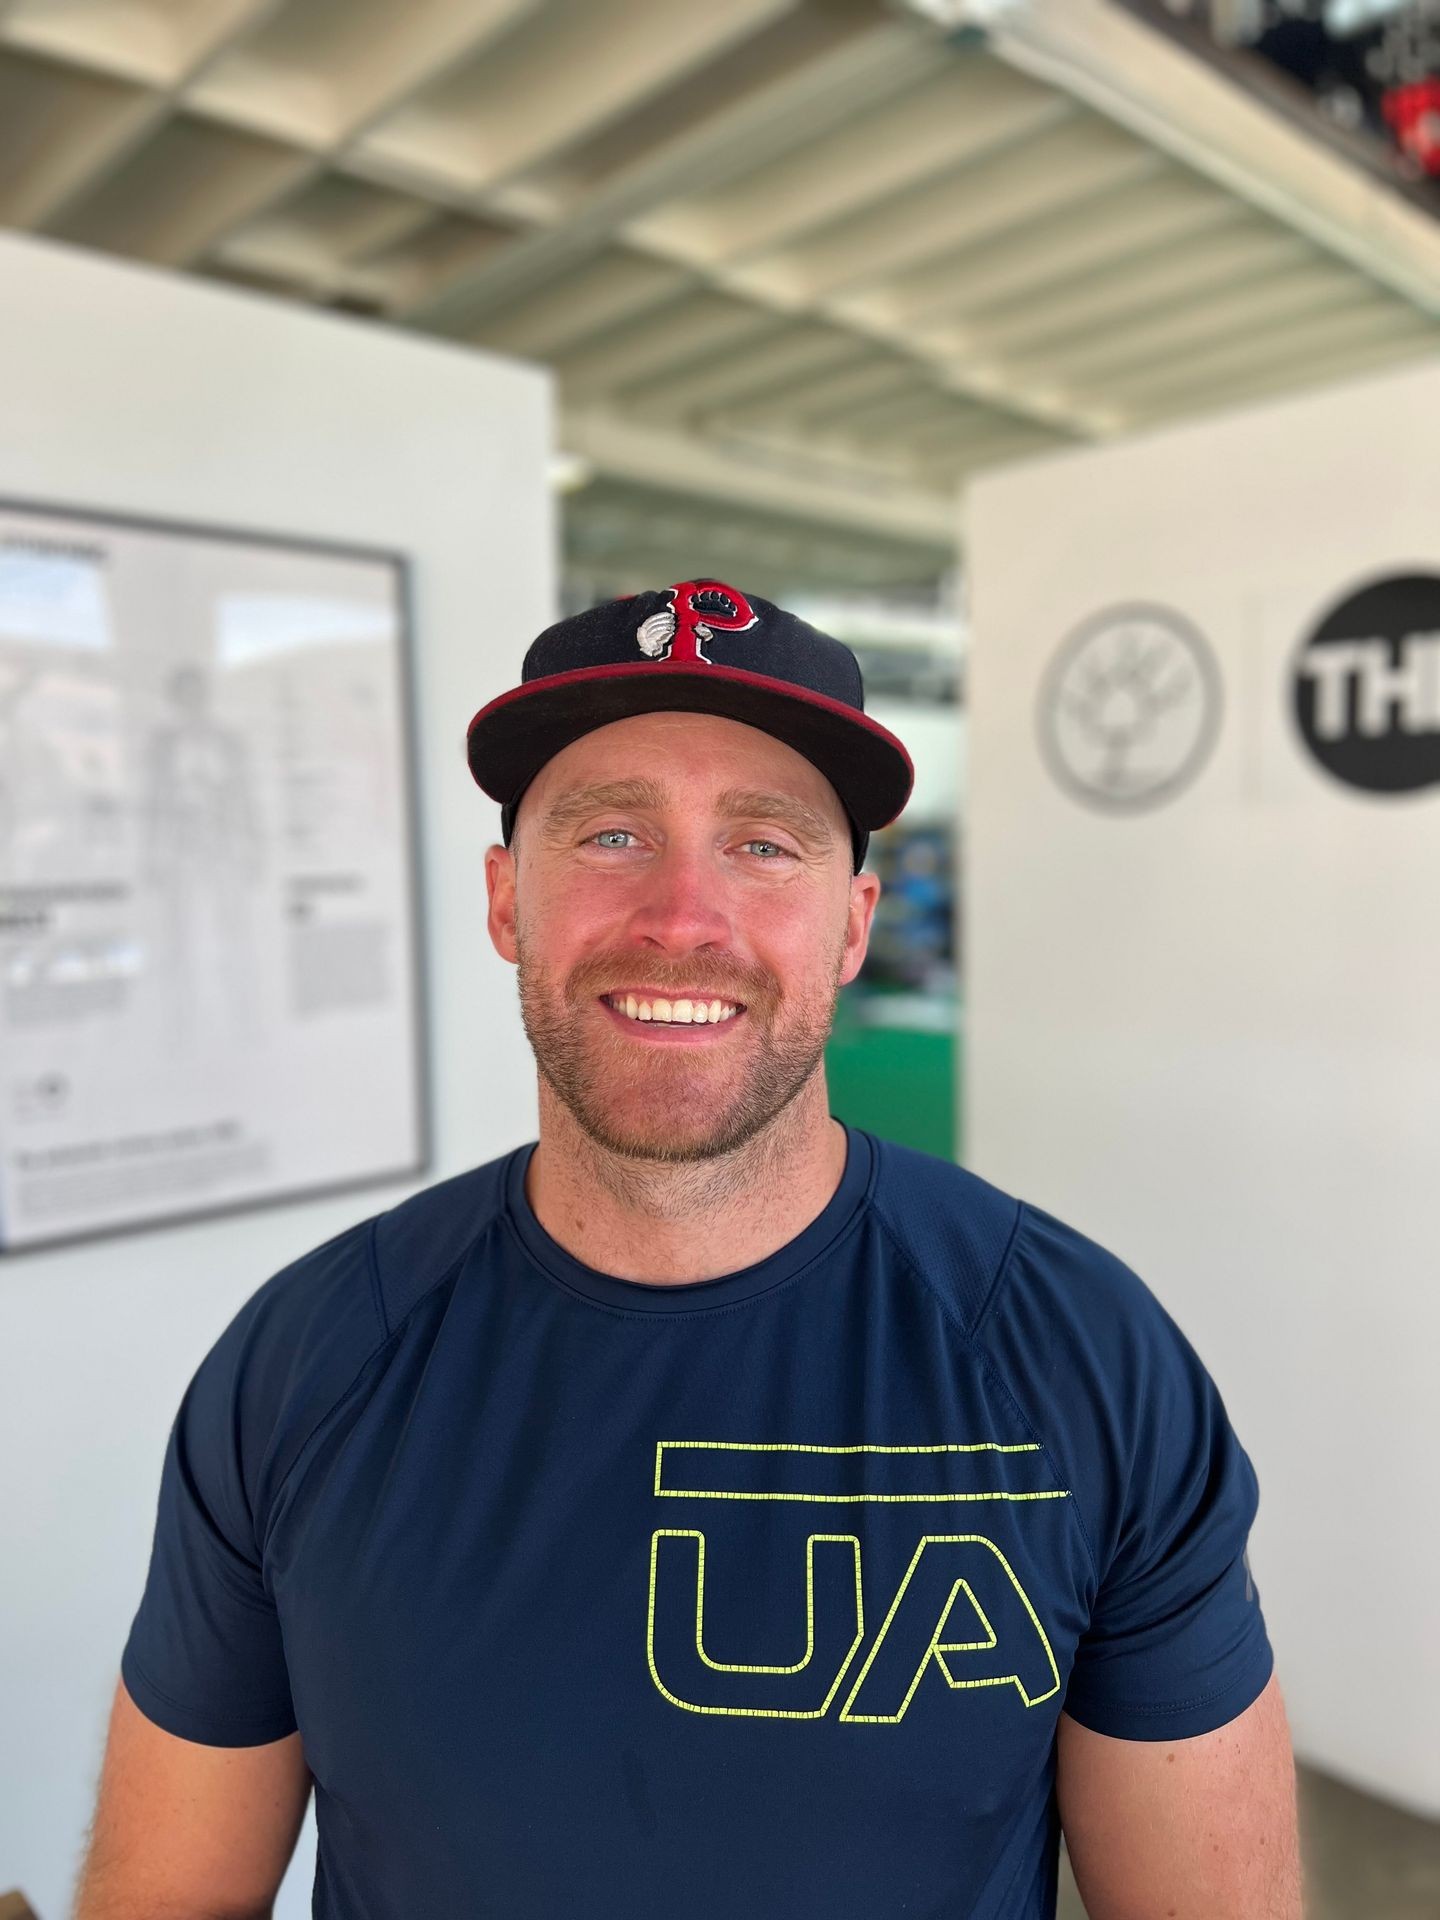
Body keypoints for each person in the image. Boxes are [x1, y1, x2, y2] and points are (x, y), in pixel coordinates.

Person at [75, 579, 1302, 1919]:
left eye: (765, 846)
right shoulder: (307, 1361)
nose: (681, 917)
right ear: (506, 904)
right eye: (609, 834)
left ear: (852, 925)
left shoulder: (1084, 1360)